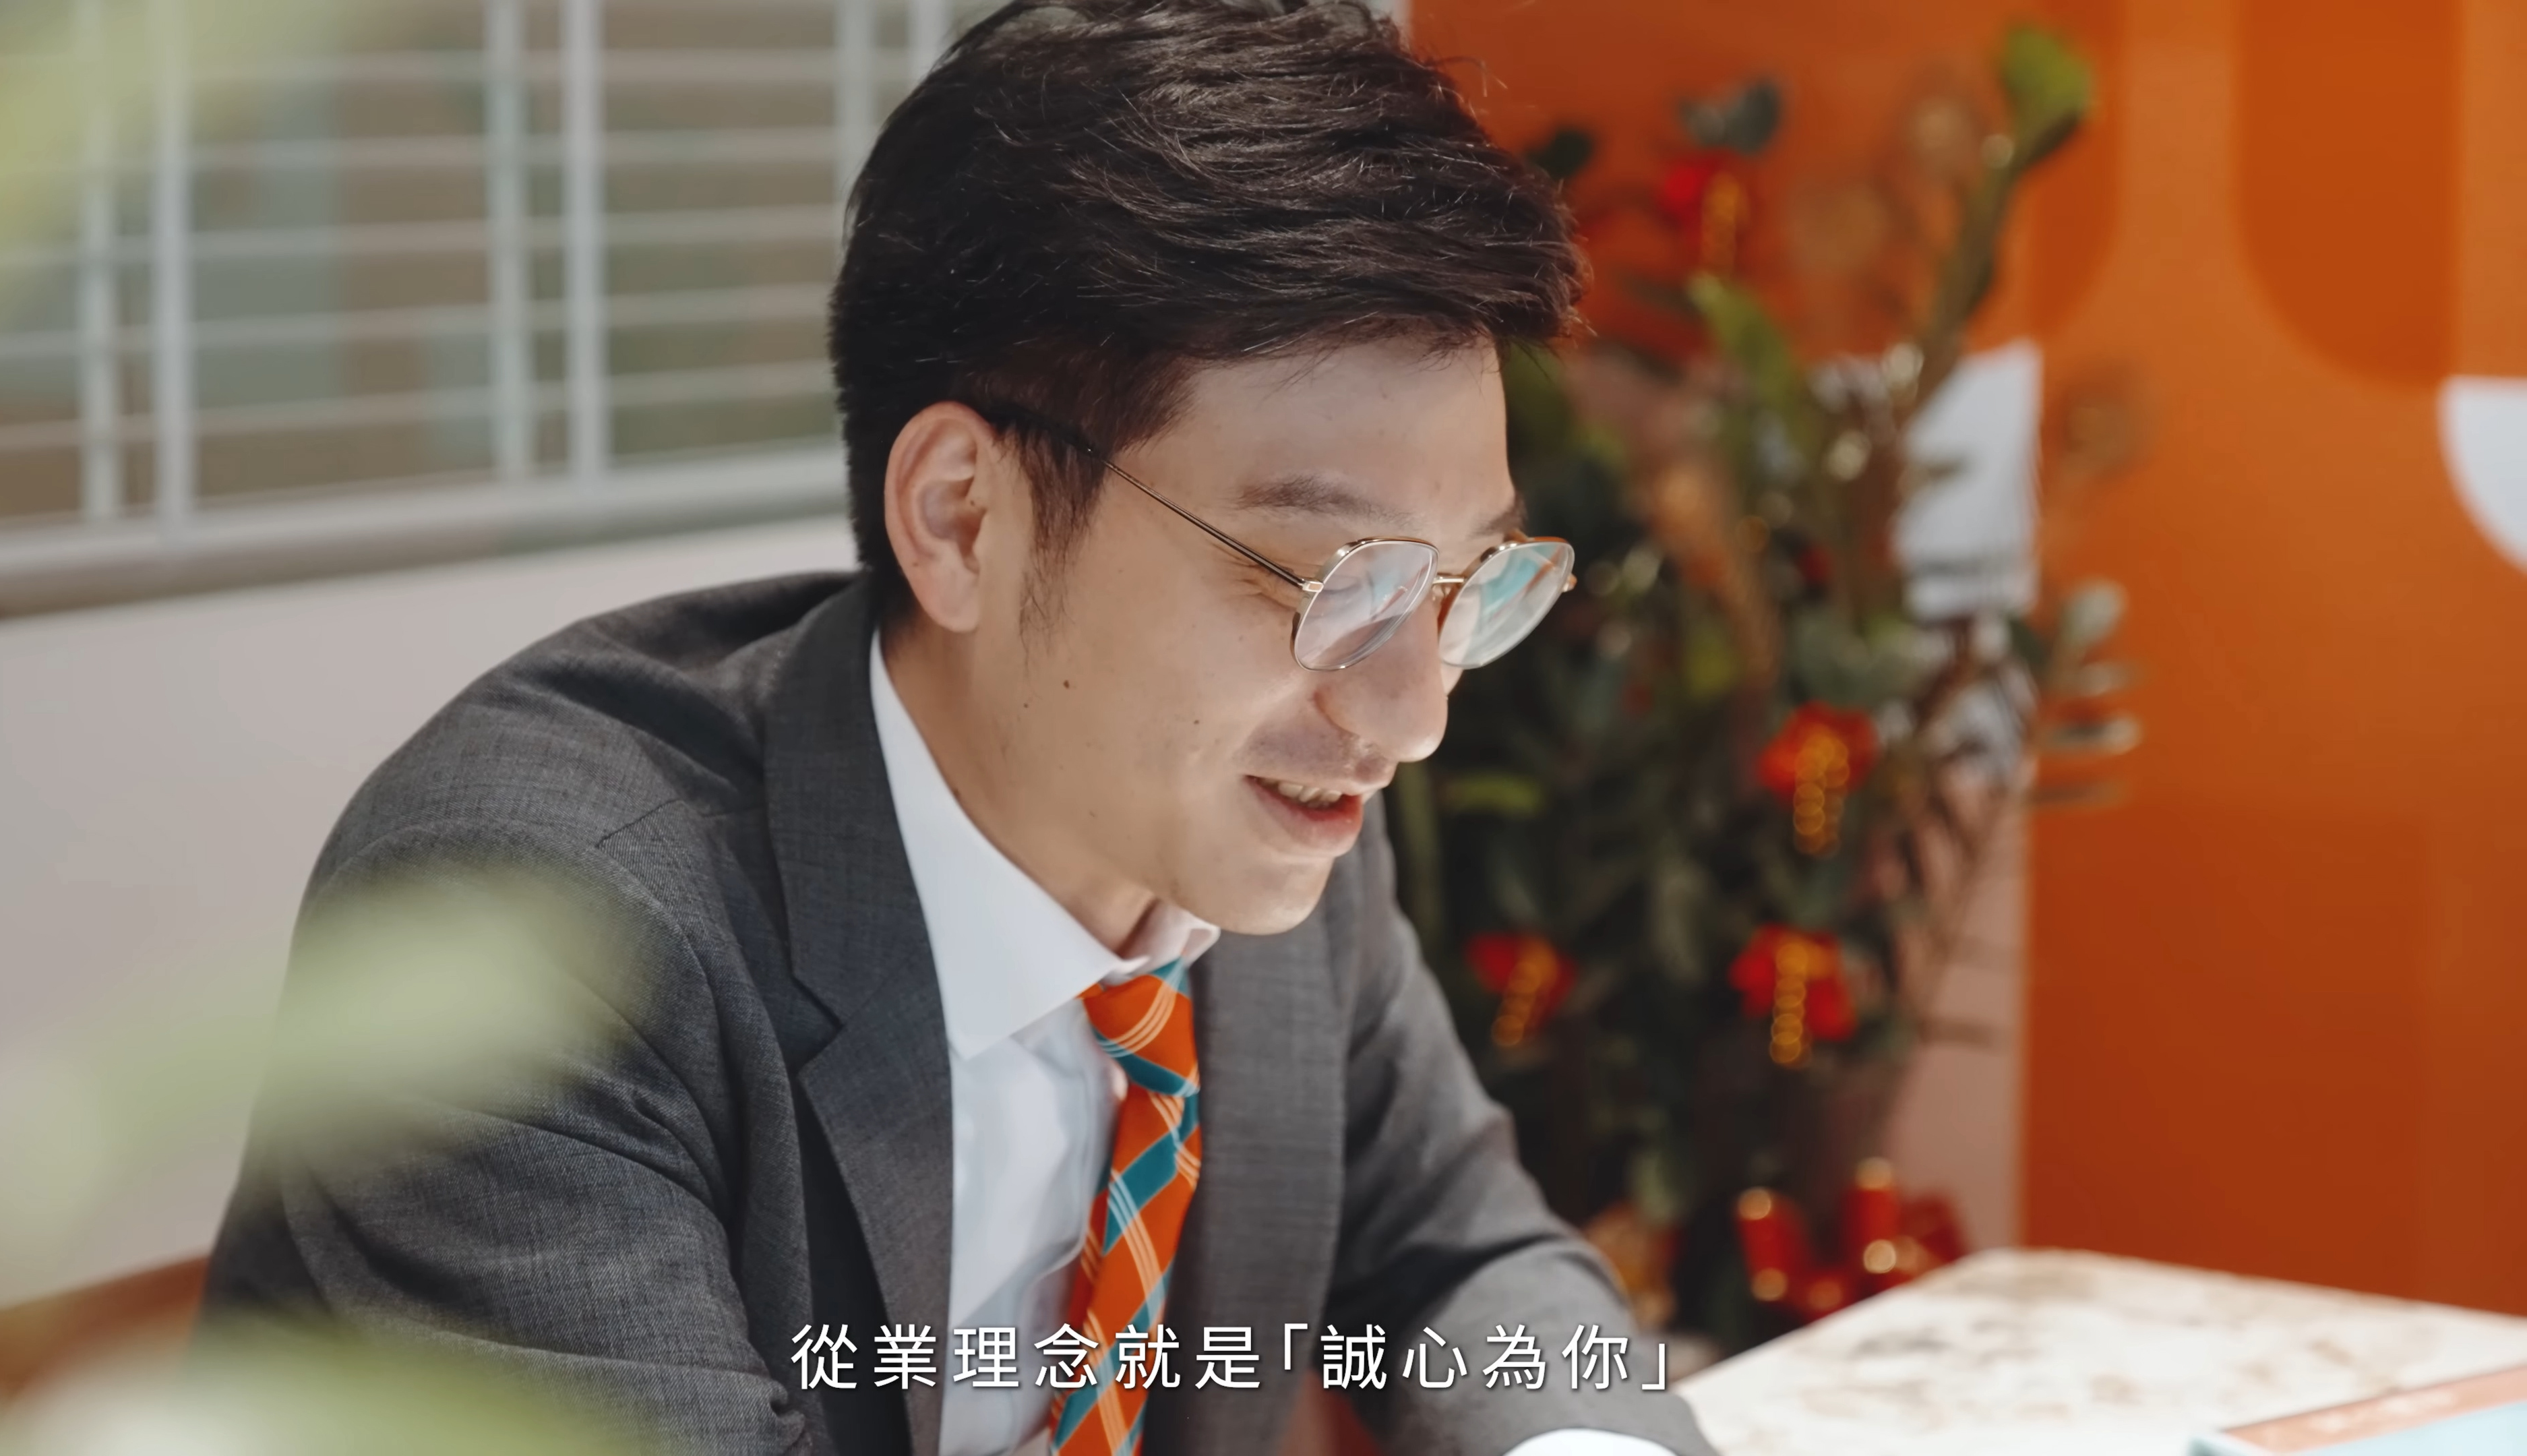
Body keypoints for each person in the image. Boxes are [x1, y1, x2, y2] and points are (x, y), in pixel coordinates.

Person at [200, 1, 1721, 1453]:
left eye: (1464, 584)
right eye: (1335, 579)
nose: (1411, 715)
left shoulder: (1265, 819)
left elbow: (1459, 1261)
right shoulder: (527, 937)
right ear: (961, 518)